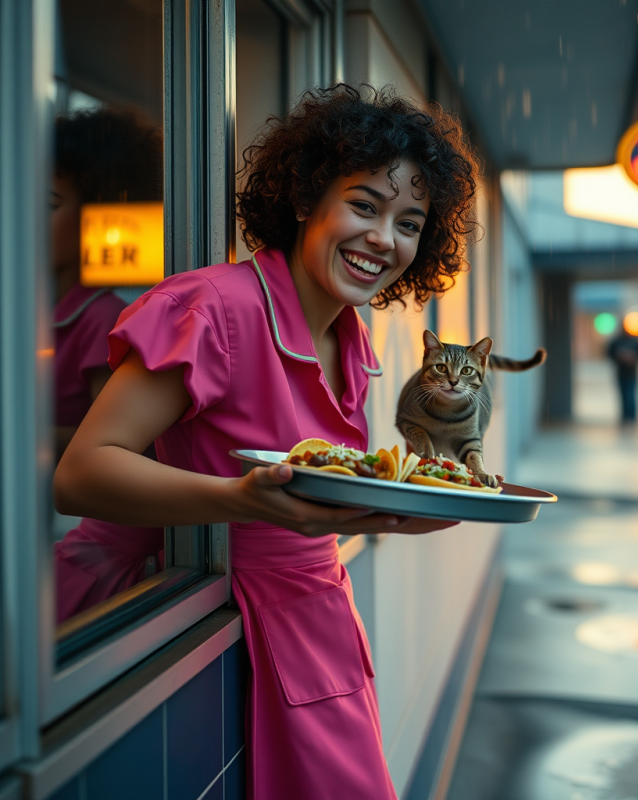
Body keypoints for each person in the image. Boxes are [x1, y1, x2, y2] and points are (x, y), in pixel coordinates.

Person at [54, 85, 478, 798]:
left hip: (311, 623)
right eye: (365, 206)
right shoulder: (212, 307)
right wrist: (242, 502)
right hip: (154, 616)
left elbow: (329, 494)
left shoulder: (350, 337)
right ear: (306, 199)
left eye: (410, 222)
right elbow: (81, 473)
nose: (385, 239)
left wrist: (401, 509)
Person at [52, 107, 165, 623]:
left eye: (48, 204)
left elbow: (109, 448)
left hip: (72, 531)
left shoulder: (100, 317)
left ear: (98, 214)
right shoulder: (33, 307)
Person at [607, 325, 638, 422]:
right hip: (621, 372)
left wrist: (632, 357)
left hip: (632, 373)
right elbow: (609, 353)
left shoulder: (635, 341)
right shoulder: (617, 341)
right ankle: (624, 416)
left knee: (631, 395)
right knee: (623, 395)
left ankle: (632, 417)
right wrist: (619, 356)